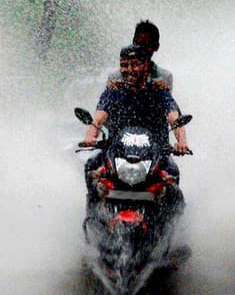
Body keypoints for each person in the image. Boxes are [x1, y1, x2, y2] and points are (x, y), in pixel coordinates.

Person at [81, 44, 189, 205]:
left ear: (145, 66)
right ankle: (93, 214)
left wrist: (182, 142)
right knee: (91, 166)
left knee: (173, 175)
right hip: (116, 154)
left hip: (155, 154)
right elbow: (98, 118)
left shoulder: (159, 91)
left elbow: (174, 118)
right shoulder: (113, 92)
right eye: (124, 65)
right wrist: (90, 137)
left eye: (134, 65)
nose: (129, 70)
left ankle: (172, 219)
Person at [106, 20, 173, 91]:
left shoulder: (165, 77)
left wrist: (164, 92)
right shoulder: (115, 78)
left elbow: (166, 97)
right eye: (138, 44)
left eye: (147, 45)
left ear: (156, 47)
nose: (141, 49)